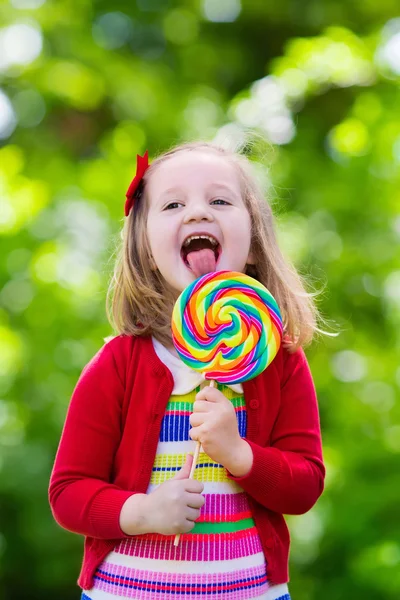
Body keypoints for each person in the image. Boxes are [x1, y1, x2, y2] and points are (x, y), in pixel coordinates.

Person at [49, 141, 328, 600]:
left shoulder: (277, 362)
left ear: (254, 243)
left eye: (219, 200)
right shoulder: (117, 365)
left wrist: (238, 453)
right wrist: (142, 512)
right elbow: (68, 493)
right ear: (144, 247)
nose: (198, 213)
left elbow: (305, 486)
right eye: (174, 203)